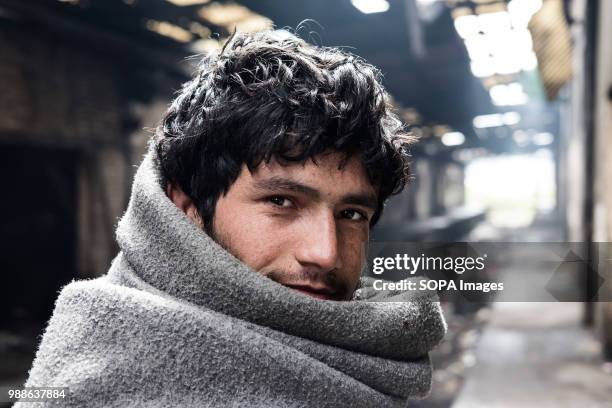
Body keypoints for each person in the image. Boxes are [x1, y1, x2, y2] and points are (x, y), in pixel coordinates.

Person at [18, 30, 446, 407]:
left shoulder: (376, 352)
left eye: (352, 213)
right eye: (281, 201)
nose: (325, 253)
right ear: (187, 208)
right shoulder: (98, 372)